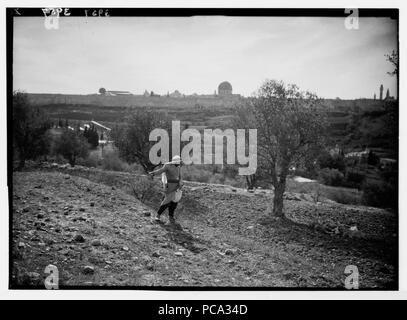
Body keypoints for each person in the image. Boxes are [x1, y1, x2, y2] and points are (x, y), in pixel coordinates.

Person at [148, 155, 183, 223]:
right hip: (169, 186)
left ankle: (171, 216)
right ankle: (158, 215)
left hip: (176, 187)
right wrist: (153, 173)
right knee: (166, 201)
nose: (180, 163)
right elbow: (160, 171)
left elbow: (180, 177)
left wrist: (181, 183)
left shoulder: (178, 167)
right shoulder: (167, 165)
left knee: (174, 203)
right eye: (179, 161)